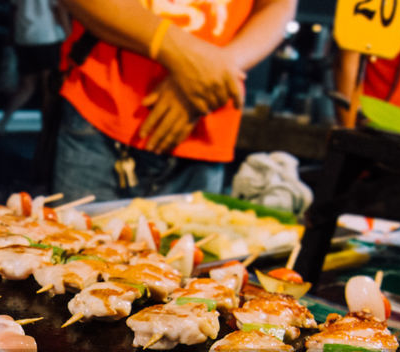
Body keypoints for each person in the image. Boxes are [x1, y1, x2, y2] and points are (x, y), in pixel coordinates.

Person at [54, 0, 297, 202]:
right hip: (102, 112)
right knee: (74, 252)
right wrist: (186, 55)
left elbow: (279, 6)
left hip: (206, 124)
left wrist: (216, 69)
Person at [0, 0, 69, 135]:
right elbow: (58, 9)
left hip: (24, 38)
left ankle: (2, 123)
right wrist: (69, 34)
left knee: (26, 86)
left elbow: (14, 11)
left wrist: (12, 37)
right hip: (47, 37)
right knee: (48, 88)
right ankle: (47, 129)